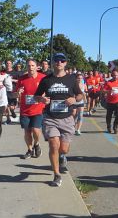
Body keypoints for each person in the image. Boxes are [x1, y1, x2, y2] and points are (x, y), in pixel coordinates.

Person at [34, 52, 83, 187]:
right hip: (50, 118)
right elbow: (36, 96)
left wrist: (74, 99)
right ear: (53, 62)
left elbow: (80, 95)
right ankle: (56, 174)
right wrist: (42, 99)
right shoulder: (46, 80)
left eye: (62, 60)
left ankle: (62, 156)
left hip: (67, 118)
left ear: (65, 63)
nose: (59, 62)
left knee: (64, 149)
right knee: (53, 145)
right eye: (56, 60)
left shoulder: (71, 79)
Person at [16, 59, 46, 159]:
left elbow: (48, 91)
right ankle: (29, 150)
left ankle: (36, 144)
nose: (30, 68)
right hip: (25, 110)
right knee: (27, 131)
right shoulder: (22, 79)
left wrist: (44, 96)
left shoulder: (43, 78)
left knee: (36, 130)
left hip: (38, 109)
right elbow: (15, 93)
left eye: (33, 65)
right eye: (29, 66)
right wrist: (18, 92)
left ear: (37, 67)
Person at [103, 69, 118, 134]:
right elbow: (103, 90)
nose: (115, 76)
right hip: (110, 102)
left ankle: (115, 126)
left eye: (116, 75)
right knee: (109, 116)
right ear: (112, 75)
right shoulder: (108, 82)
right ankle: (108, 126)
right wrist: (109, 91)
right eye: (114, 75)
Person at [3, 59, 19, 124]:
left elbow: (19, 81)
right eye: (7, 63)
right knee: (5, 105)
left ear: (11, 64)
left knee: (12, 106)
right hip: (4, 91)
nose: (8, 65)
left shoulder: (15, 72)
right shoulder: (2, 72)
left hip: (13, 91)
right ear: (5, 64)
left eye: (9, 63)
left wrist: (11, 80)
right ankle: (8, 119)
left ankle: (12, 111)